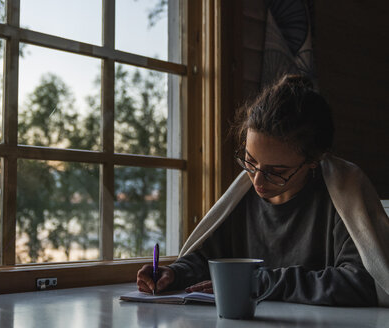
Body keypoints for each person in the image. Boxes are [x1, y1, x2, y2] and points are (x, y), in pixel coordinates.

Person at [136, 75, 389, 306]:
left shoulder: (343, 194)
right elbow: (209, 258)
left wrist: (260, 282)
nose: (257, 181)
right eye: (249, 161)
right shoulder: (243, 197)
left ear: (314, 159)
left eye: (276, 172)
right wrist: (175, 273)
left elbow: (363, 282)